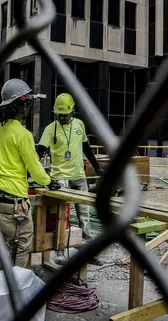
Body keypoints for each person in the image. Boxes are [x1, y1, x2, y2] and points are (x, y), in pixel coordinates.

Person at [0, 79, 61, 273]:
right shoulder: (23, 135)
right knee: (23, 243)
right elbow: (35, 168)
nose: (29, 108)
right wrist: (49, 181)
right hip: (15, 200)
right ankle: (19, 287)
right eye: (28, 104)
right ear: (22, 105)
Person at [37, 93, 104, 265]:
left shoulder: (79, 125)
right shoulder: (50, 129)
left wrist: (97, 168)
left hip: (79, 176)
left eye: (65, 115)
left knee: (84, 215)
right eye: (59, 115)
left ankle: (88, 252)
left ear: (72, 112)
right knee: (61, 216)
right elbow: (39, 152)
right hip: (60, 178)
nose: (62, 118)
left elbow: (86, 148)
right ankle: (60, 252)